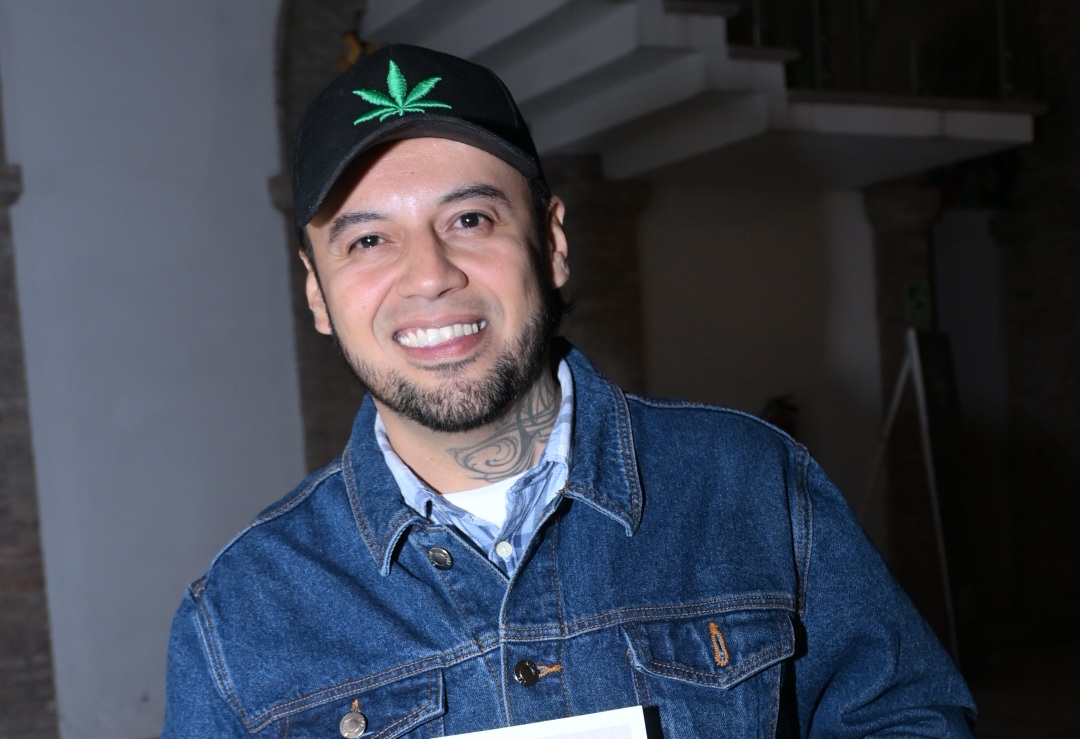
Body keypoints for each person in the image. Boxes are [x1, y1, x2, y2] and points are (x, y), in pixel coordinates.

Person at [163, 44, 976, 738]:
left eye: (470, 219)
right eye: (369, 238)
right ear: (316, 291)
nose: (429, 275)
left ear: (551, 242)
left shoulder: (753, 482)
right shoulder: (237, 613)